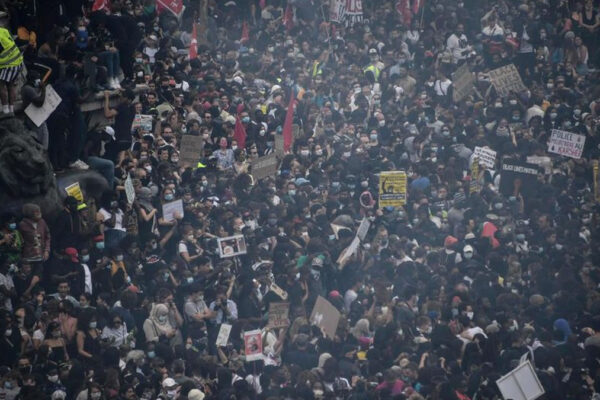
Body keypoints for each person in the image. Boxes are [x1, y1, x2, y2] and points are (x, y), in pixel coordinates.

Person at [0, 26, 23, 114]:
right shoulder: (3, 30)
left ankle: (6, 111)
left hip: (9, 64)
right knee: (10, 85)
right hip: (18, 60)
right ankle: (11, 110)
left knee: (1, 85)